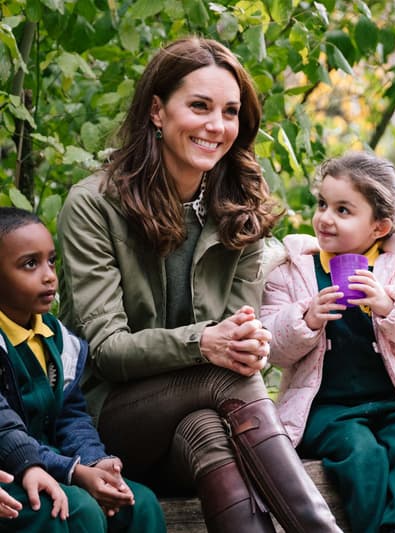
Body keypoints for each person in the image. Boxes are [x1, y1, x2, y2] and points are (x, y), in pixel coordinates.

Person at [57, 37, 341, 533]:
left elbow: (239, 332)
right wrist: (205, 343)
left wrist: (249, 344)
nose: (217, 125)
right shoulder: (93, 206)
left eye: (230, 111)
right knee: (220, 373)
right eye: (200, 106)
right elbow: (106, 351)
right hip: (111, 422)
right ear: (157, 112)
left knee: (207, 430)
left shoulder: (240, 206)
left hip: (196, 426)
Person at [0, 207, 165, 532]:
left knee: (137, 501)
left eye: (51, 261)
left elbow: (71, 416)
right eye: (30, 264)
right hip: (11, 466)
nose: (49, 275)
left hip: (49, 459)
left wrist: (94, 461)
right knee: (77, 511)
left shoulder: (59, 340)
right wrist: (74, 472)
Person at [260, 152, 395, 533]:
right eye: (323, 204)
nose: (325, 218)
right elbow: (270, 346)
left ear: (379, 227)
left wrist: (387, 308)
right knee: (362, 455)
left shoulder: (391, 272)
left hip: (388, 402)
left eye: (343, 210)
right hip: (326, 408)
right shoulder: (292, 271)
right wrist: (306, 318)